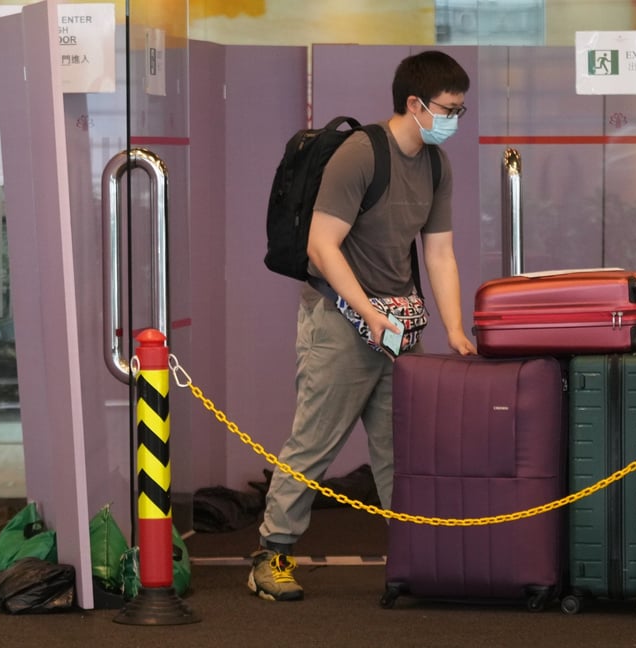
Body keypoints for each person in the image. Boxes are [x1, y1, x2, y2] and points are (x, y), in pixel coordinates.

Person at [249, 50, 477, 602]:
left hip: (400, 324)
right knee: (314, 442)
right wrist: (369, 314)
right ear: (414, 104)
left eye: (461, 111)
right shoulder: (359, 155)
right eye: (448, 109)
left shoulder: (437, 166)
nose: (454, 120)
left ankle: (414, 559)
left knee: (403, 449)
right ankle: (270, 556)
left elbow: (440, 255)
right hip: (339, 318)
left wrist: (455, 330)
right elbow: (320, 247)